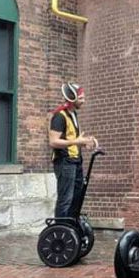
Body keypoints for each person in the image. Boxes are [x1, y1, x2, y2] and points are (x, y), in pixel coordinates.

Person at [49, 82, 95, 218]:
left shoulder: (73, 114)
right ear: (72, 98)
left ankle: (71, 225)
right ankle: (60, 229)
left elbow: (74, 139)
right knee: (65, 199)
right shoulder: (59, 116)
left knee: (76, 197)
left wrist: (86, 142)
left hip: (76, 161)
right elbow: (53, 142)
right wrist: (77, 141)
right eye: (81, 98)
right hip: (64, 162)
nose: (84, 101)